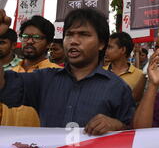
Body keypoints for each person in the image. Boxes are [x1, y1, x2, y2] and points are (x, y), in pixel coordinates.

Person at [0, 8, 135, 135]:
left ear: (101, 44)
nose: (74, 41)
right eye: (69, 34)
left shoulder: (118, 88)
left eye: (84, 34)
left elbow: (136, 135)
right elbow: (3, 84)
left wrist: (117, 125)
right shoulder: (44, 79)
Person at [1, 16, 61, 127]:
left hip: (41, 143)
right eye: (25, 36)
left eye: (37, 37)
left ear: (49, 43)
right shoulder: (9, 74)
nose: (29, 41)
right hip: (7, 142)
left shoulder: (58, 75)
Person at [105, 32, 146, 102]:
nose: (106, 51)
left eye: (110, 47)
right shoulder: (101, 72)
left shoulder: (140, 75)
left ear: (123, 50)